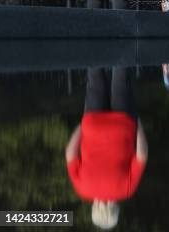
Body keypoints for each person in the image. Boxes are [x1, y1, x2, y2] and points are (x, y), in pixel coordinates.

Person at [65, 67, 148, 230]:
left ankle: (122, 44)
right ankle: (92, 43)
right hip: (93, 125)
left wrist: (137, 125)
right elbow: (70, 154)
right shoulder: (82, 190)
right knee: (95, 82)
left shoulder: (126, 191)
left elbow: (142, 155)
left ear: (115, 211)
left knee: (121, 80)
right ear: (95, 210)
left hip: (122, 126)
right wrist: (83, 126)